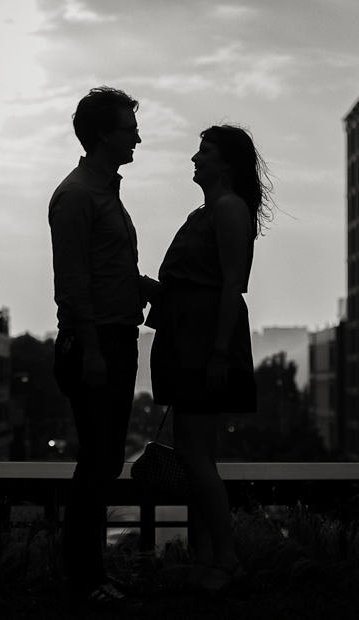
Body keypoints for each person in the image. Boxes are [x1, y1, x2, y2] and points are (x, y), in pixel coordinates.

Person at [147, 124, 272, 593]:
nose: (195, 157)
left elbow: (230, 286)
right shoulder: (207, 211)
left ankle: (225, 558)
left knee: (197, 457)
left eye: (205, 151)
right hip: (187, 341)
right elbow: (196, 285)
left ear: (227, 163)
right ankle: (206, 557)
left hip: (203, 346)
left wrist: (219, 353)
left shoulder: (228, 209)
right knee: (192, 456)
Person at [48, 86, 158, 606]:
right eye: (129, 126)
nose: (137, 135)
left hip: (115, 339)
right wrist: (91, 351)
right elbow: (72, 285)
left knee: (104, 458)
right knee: (97, 462)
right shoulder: (76, 197)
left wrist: (145, 288)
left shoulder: (104, 192)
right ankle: (85, 577)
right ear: (104, 135)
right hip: (96, 345)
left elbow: (106, 270)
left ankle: (88, 574)